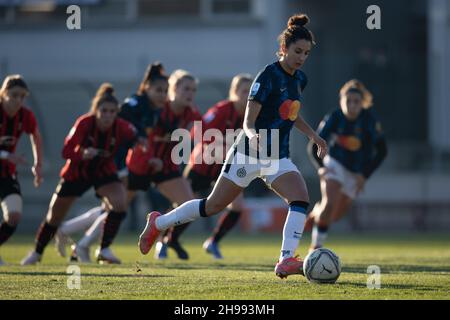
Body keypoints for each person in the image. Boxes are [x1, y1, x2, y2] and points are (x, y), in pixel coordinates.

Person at [138, 13, 328, 279]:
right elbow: (248, 120)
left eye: (306, 53)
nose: (301, 57)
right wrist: (252, 136)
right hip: (248, 152)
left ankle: (286, 260)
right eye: (297, 51)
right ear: (284, 48)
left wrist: (314, 136)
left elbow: (291, 114)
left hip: (276, 155)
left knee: (300, 197)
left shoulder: (300, 80)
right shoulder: (267, 77)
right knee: (212, 206)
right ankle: (158, 222)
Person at [53, 62, 167, 262]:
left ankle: (72, 234)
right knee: (116, 207)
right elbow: (120, 119)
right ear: (146, 87)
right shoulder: (135, 103)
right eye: (158, 90)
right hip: (118, 160)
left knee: (113, 207)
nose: (162, 95)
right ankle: (85, 244)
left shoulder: (153, 109)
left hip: (127, 160)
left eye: (165, 91)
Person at [21, 83, 137, 265]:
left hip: (103, 171)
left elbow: (137, 138)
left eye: (112, 112)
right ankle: (36, 253)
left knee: (120, 204)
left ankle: (104, 249)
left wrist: (143, 144)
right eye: (104, 110)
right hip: (77, 172)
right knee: (54, 217)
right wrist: (82, 153)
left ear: (117, 113)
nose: (108, 116)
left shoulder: (121, 127)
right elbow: (66, 151)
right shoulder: (85, 123)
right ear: (96, 110)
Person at [157, 73, 253, 260]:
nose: (247, 95)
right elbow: (199, 133)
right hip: (202, 165)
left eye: (251, 92)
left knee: (238, 206)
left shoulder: (253, 115)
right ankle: (164, 239)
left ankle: (213, 242)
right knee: (184, 204)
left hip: (226, 168)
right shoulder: (222, 110)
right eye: (244, 91)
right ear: (234, 93)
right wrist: (226, 142)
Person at [305, 79, 387, 251]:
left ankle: (316, 212)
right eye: (347, 101)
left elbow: (382, 151)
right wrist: (321, 167)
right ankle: (316, 248)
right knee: (330, 203)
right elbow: (314, 145)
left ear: (362, 103)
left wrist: (364, 175)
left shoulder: (370, 121)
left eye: (356, 101)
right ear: (341, 101)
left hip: (356, 172)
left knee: (335, 216)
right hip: (335, 164)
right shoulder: (334, 117)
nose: (351, 105)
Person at [0, 75, 43, 266]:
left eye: (22, 96)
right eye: (14, 95)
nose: (18, 100)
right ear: (3, 94)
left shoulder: (25, 115)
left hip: (6, 173)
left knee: (14, 216)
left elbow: (36, 136)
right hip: (8, 163)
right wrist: (7, 156)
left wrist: (38, 165)